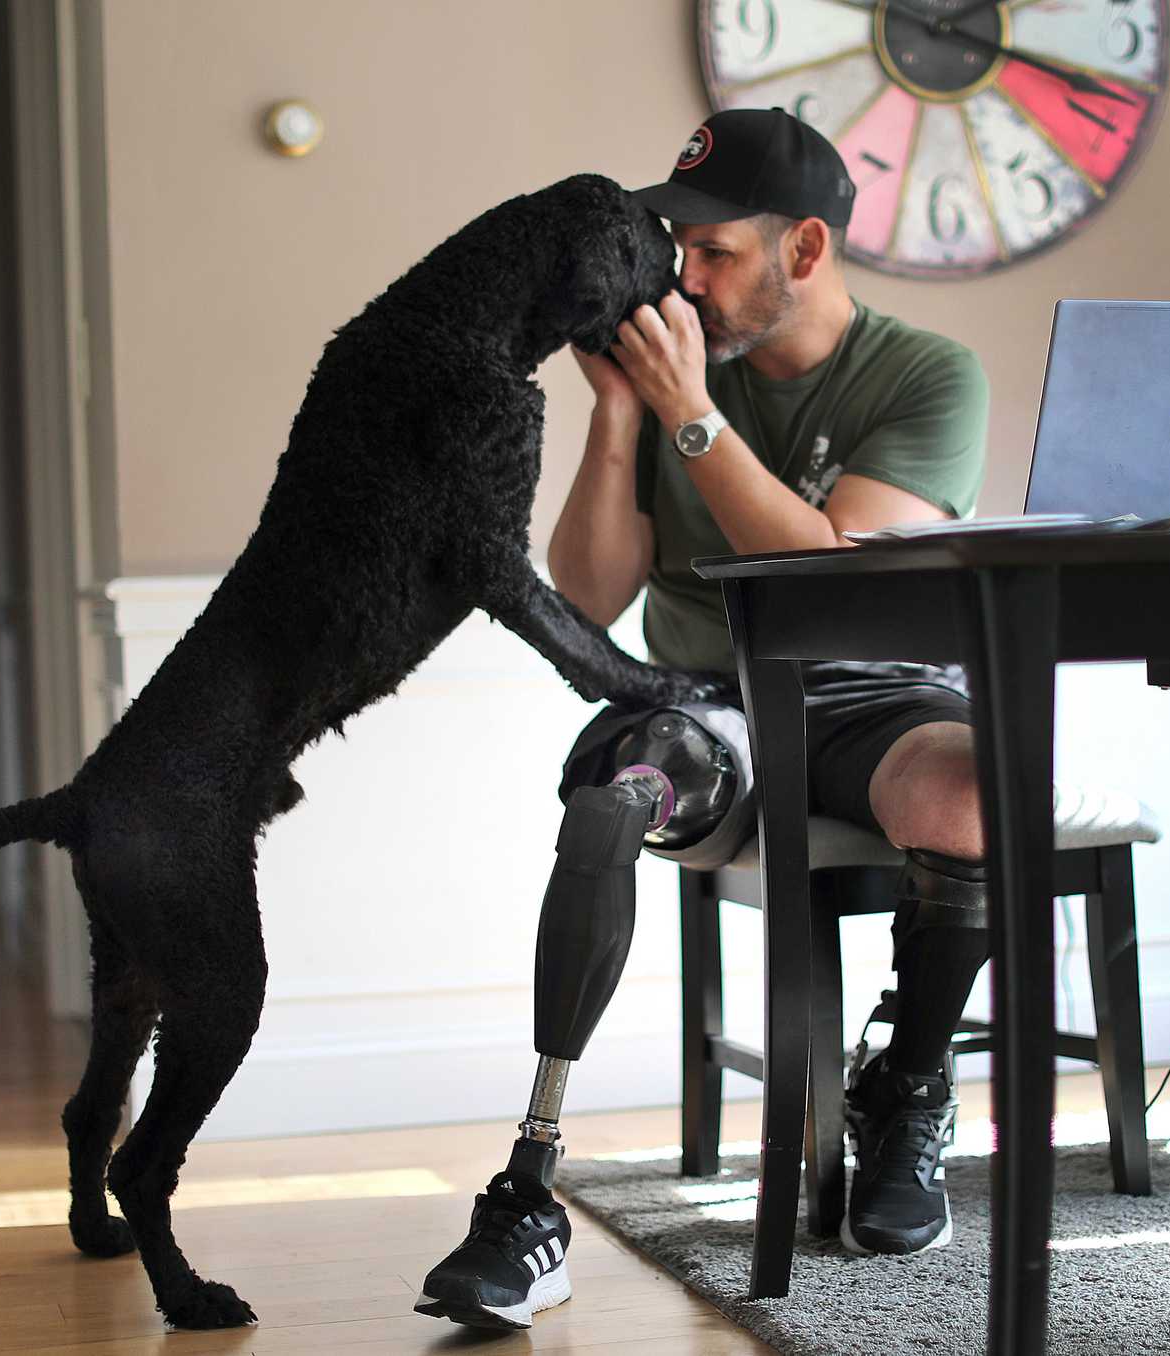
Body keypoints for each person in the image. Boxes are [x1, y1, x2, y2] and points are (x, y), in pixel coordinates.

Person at [416, 108, 992, 1330]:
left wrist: (686, 408)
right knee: (611, 802)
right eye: (673, 247)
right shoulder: (672, 379)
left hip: (874, 694)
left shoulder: (927, 376)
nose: (683, 278)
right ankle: (526, 1195)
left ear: (804, 250)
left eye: (715, 251)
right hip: (706, 707)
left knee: (970, 792)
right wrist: (620, 416)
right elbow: (589, 592)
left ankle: (909, 1085)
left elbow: (832, 585)